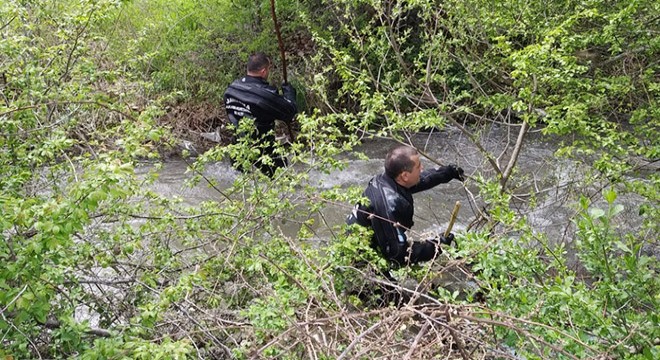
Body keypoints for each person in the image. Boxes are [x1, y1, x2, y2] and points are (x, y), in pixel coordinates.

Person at [346, 145, 464, 267]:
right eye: (418, 166)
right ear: (405, 176)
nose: (422, 168)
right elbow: (398, 254)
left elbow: (422, 180)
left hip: (375, 241)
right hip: (361, 258)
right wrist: (435, 246)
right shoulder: (388, 207)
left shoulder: (387, 179)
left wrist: (448, 172)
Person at [223, 52, 298, 177]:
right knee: (285, 183)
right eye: (268, 69)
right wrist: (289, 93)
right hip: (263, 149)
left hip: (237, 148)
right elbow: (290, 112)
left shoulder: (231, 89)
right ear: (263, 71)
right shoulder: (265, 95)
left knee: (240, 184)